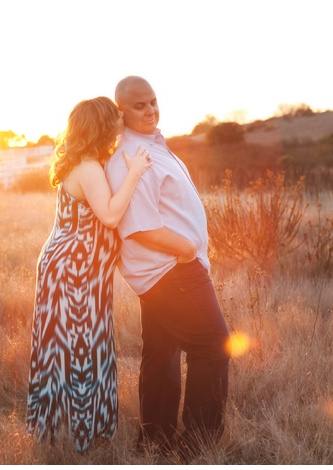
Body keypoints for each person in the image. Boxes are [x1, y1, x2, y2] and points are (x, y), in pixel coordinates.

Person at [105, 76, 231, 457]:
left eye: (154, 101)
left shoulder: (151, 145)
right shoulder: (129, 155)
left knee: (161, 351)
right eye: (140, 105)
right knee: (212, 346)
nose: (151, 110)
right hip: (171, 271)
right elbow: (140, 227)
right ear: (121, 111)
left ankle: (154, 440)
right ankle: (197, 446)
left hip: (164, 271)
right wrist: (187, 250)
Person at [27, 96, 152, 453]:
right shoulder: (88, 168)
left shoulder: (90, 163)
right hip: (74, 272)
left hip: (78, 270)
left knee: (77, 346)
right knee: (78, 349)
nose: (120, 122)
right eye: (114, 119)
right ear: (101, 126)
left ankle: (69, 432)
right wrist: (135, 172)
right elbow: (110, 215)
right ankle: (78, 438)